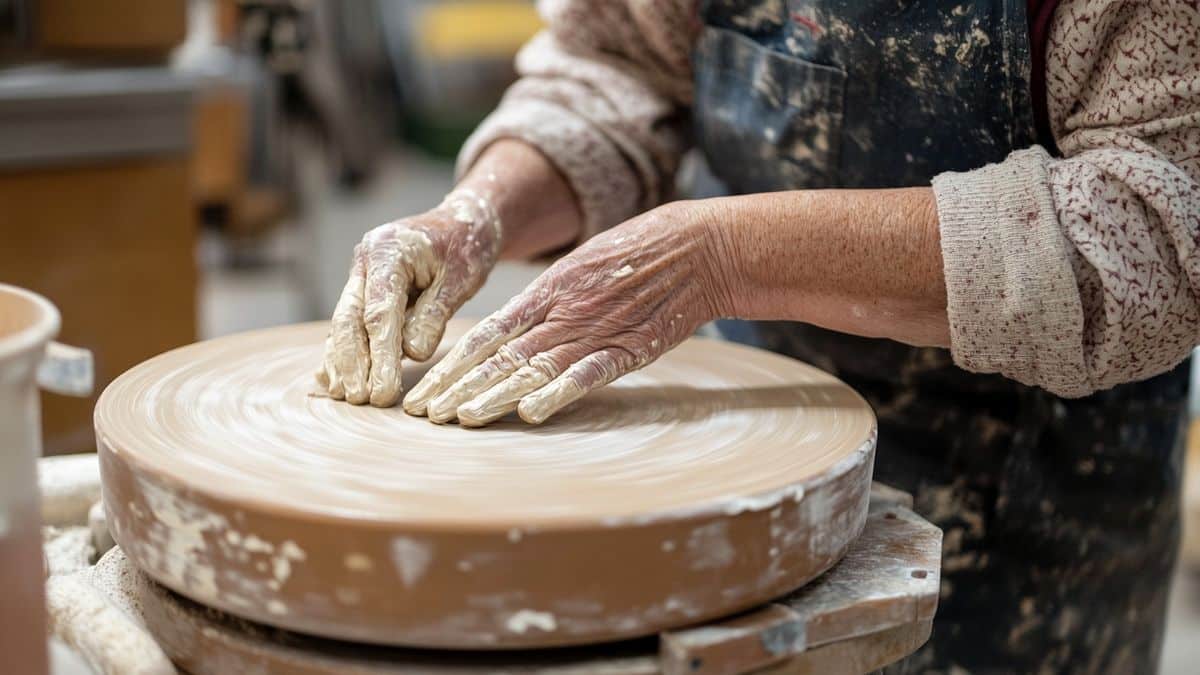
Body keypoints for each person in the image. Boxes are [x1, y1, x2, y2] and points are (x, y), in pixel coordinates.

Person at [316, 1, 1200, 671]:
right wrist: (479, 210)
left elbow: (1156, 228)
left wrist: (722, 253)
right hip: (745, 426)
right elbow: (616, 73)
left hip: (1032, 503)